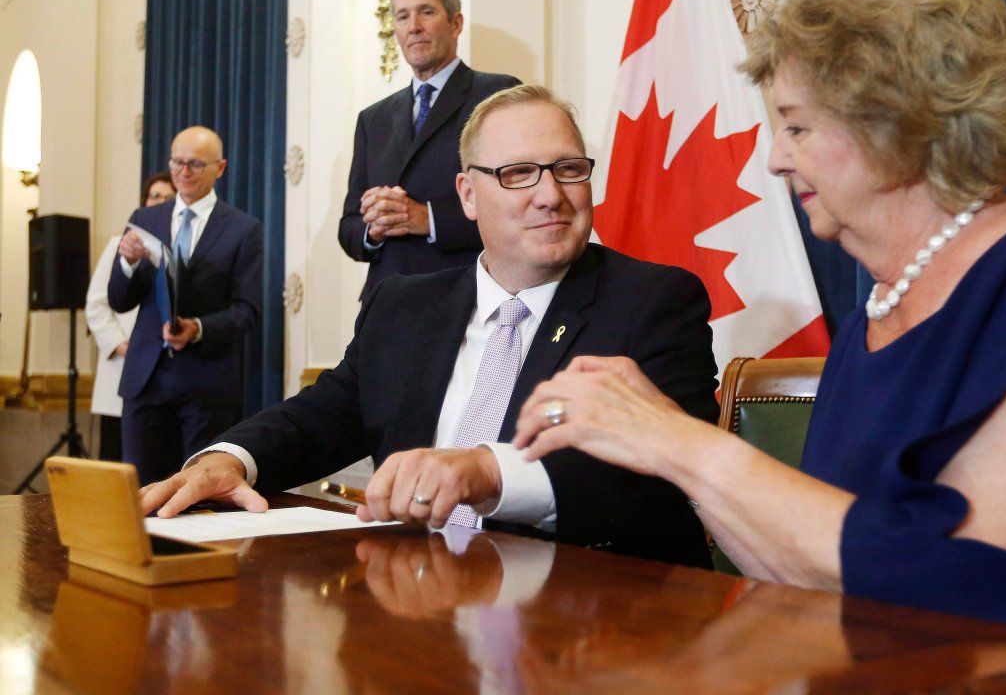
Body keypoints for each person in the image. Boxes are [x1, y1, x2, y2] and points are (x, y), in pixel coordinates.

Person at [512, 0, 1006, 663]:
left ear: (897, 118)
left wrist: (680, 441)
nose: (776, 157)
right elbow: (814, 572)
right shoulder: (874, 313)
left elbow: (986, 586)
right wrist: (663, 454)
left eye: (798, 125)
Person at [141, 85, 716, 568]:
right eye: (519, 173)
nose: (551, 195)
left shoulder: (654, 301)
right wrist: (230, 459)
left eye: (569, 169)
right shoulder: (404, 306)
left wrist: (488, 471)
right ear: (468, 195)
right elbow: (321, 418)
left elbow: (662, 474)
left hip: (596, 624)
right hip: (417, 606)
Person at [338, 0, 521, 297]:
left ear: (456, 23)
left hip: (466, 294)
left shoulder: (498, 95)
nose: (414, 27)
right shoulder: (372, 118)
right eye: (403, 16)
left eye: (426, 12)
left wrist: (428, 218)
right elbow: (349, 228)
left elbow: (516, 203)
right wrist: (374, 229)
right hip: (386, 303)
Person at [109, 126, 264, 485]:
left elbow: (248, 311)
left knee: (198, 496)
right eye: (177, 162)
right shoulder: (145, 218)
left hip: (206, 384)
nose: (183, 172)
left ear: (220, 168)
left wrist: (198, 329)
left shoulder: (244, 229)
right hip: (146, 378)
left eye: (195, 164)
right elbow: (119, 300)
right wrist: (128, 263)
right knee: (141, 493)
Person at [85, 171, 176, 461]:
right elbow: (97, 305)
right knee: (117, 458)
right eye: (155, 196)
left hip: (165, 372)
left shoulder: (179, 247)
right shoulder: (118, 244)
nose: (160, 202)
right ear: (144, 201)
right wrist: (124, 347)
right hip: (123, 365)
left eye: (168, 197)